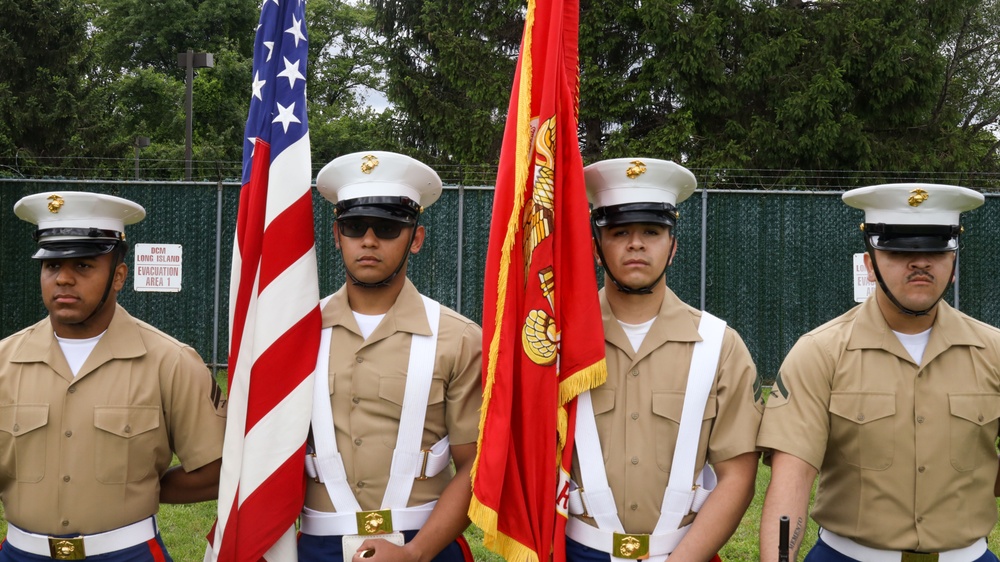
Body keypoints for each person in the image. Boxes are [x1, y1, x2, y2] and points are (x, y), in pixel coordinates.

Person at [758, 183, 1000, 562]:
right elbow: (794, 479)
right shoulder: (821, 352)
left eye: (937, 249)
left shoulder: (995, 353)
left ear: (954, 263)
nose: (919, 262)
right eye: (899, 249)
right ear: (869, 265)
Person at [0, 191, 226, 561]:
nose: (64, 279)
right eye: (52, 266)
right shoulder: (4, 362)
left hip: (126, 553)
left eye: (84, 266)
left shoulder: (169, 361)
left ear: (119, 275)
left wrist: (137, 488)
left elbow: (214, 470)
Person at [565, 158, 764, 562]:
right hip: (578, 549)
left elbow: (738, 475)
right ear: (595, 247)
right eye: (619, 232)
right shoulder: (556, 342)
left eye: (652, 232)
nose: (636, 243)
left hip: (685, 552)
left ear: (673, 247)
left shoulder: (720, 345)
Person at [299, 151, 483, 562]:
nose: (368, 240)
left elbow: (478, 465)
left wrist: (416, 553)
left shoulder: (459, 339)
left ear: (415, 238)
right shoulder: (296, 335)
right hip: (318, 545)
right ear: (336, 235)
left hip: (425, 542)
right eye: (352, 226)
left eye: (386, 227)